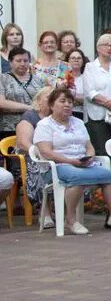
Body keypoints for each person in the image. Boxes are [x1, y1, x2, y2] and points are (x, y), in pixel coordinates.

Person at [34, 87, 111, 234]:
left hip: (81, 164)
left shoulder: (78, 122)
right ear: (52, 105)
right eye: (62, 101)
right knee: (77, 177)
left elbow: (89, 147)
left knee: (108, 175)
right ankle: (70, 220)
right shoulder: (44, 125)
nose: (67, 105)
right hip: (57, 166)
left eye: (70, 102)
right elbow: (46, 152)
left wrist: (89, 157)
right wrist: (71, 161)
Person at [16, 86, 54, 228]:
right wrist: (39, 152)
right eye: (48, 96)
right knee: (39, 165)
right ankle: (44, 212)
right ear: (38, 101)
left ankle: (70, 212)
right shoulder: (30, 116)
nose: (52, 98)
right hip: (29, 158)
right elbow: (23, 142)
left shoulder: (58, 117)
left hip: (52, 156)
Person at [0, 47, 47, 140]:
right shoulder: (2, 79)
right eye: (18, 60)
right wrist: (30, 108)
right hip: (9, 128)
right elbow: (2, 103)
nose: (22, 63)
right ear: (10, 62)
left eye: (25, 60)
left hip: (36, 126)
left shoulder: (38, 80)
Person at [65, 49, 87, 119]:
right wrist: (79, 98)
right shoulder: (62, 78)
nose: (76, 60)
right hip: (65, 113)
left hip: (82, 114)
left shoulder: (87, 78)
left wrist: (70, 96)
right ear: (68, 61)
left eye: (79, 58)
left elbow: (88, 98)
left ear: (83, 61)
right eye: (73, 58)